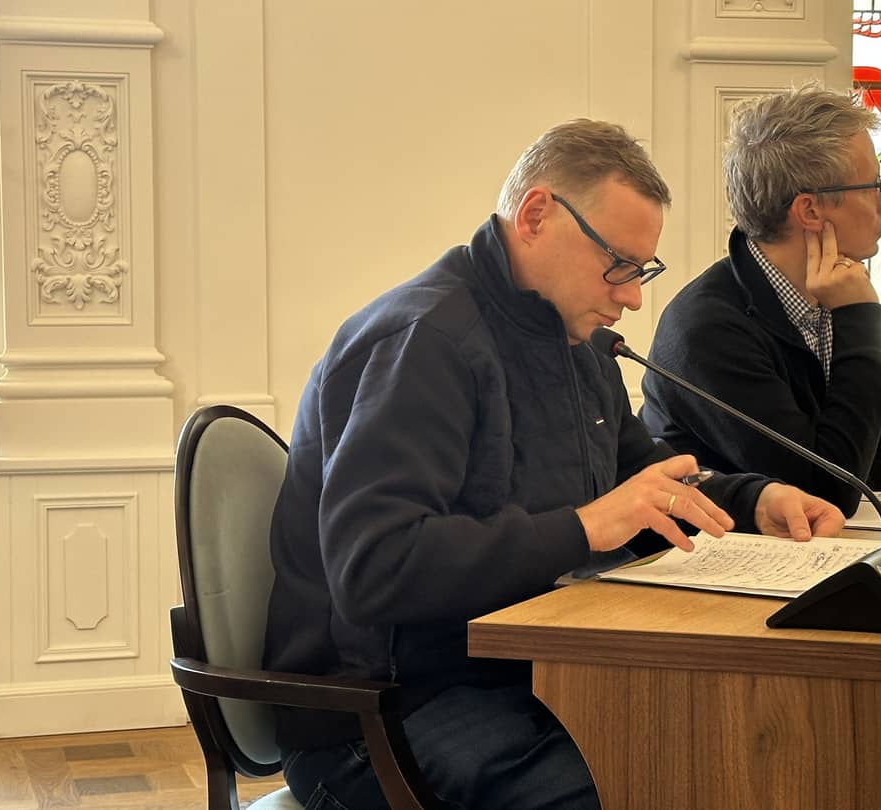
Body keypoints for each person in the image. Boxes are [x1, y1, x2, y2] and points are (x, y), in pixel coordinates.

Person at [263, 118, 846, 809]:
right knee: (633, 788)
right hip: (383, 712)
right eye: (618, 263)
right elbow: (375, 568)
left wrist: (753, 501)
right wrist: (584, 528)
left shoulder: (578, 345)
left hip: (529, 669)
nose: (632, 295)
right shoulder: (422, 340)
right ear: (536, 214)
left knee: (736, 750)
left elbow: (645, 477)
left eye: (642, 270)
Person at [639, 84, 881, 517]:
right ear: (810, 211)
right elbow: (825, 491)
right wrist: (861, 320)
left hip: (820, 544)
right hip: (714, 556)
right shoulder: (707, 329)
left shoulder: (833, 294)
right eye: (873, 185)